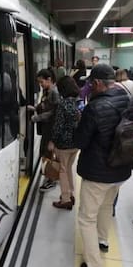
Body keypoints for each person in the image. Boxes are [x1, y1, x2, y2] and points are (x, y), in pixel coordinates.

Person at [74, 63, 133, 267]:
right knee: (106, 206)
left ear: (98, 83)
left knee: (86, 218)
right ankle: (102, 240)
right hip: (121, 167)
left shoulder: (94, 107)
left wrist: (80, 122)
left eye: (92, 83)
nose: (90, 87)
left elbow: (80, 141)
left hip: (97, 172)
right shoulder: (131, 101)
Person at [50, 76, 81, 209]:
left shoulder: (62, 104)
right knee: (68, 168)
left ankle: (65, 199)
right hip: (75, 143)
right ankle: (71, 193)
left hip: (63, 144)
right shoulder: (78, 102)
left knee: (62, 170)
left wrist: (52, 140)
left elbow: (58, 126)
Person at [28, 69, 60, 191]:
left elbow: (53, 113)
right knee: (45, 153)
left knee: (48, 154)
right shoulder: (48, 91)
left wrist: (37, 118)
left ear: (49, 79)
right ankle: (49, 176)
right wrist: (35, 108)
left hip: (51, 128)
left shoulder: (54, 93)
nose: (40, 85)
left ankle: (51, 179)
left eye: (42, 82)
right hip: (46, 127)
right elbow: (44, 105)